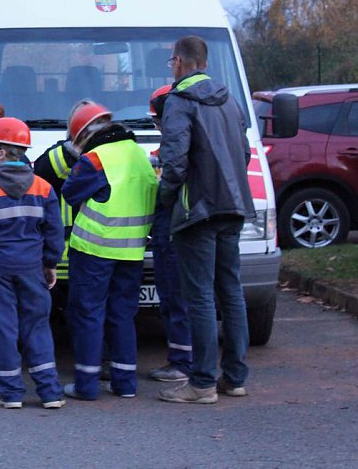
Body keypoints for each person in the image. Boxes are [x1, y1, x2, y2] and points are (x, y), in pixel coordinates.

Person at [157, 36, 255, 404]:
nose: (172, 67)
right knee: (230, 291)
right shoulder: (229, 99)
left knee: (198, 296)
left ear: (180, 62)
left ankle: (201, 383)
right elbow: (243, 152)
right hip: (233, 205)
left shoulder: (179, 100)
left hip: (196, 209)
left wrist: (165, 197)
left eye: (172, 62)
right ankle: (235, 377)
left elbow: (175, 159)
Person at [0, 118, 66, 409]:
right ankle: (50, 393)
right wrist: (50, 263)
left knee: (3, 330)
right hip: (32, 268)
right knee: (37, 327)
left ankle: (11, 394)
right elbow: (54, 232)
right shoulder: (44, 188)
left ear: (4, 151)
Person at [61, 100, 158, 400]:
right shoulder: (140, 155)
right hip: (131, 252)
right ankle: (125, 384)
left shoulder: (96, 159)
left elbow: (70, 192)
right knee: (123, 316)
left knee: (89, 315)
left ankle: (87, 386)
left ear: (83, 136)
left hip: (94, 249)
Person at [147, 85, 193, 383]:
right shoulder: (194, 145)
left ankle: (181, 363)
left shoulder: (170, 154)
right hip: (189, 230)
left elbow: (166, 190)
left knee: (176, 299)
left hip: (172, 231)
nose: (156, 126)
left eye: (156, 121)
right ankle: (188, 360)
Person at [32, 104, 88, 341]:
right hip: (61, 257)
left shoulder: (105, 157)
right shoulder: (56, 156)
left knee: (88, 315)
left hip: (85, 255)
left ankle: (95, 362)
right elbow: (47, 169)